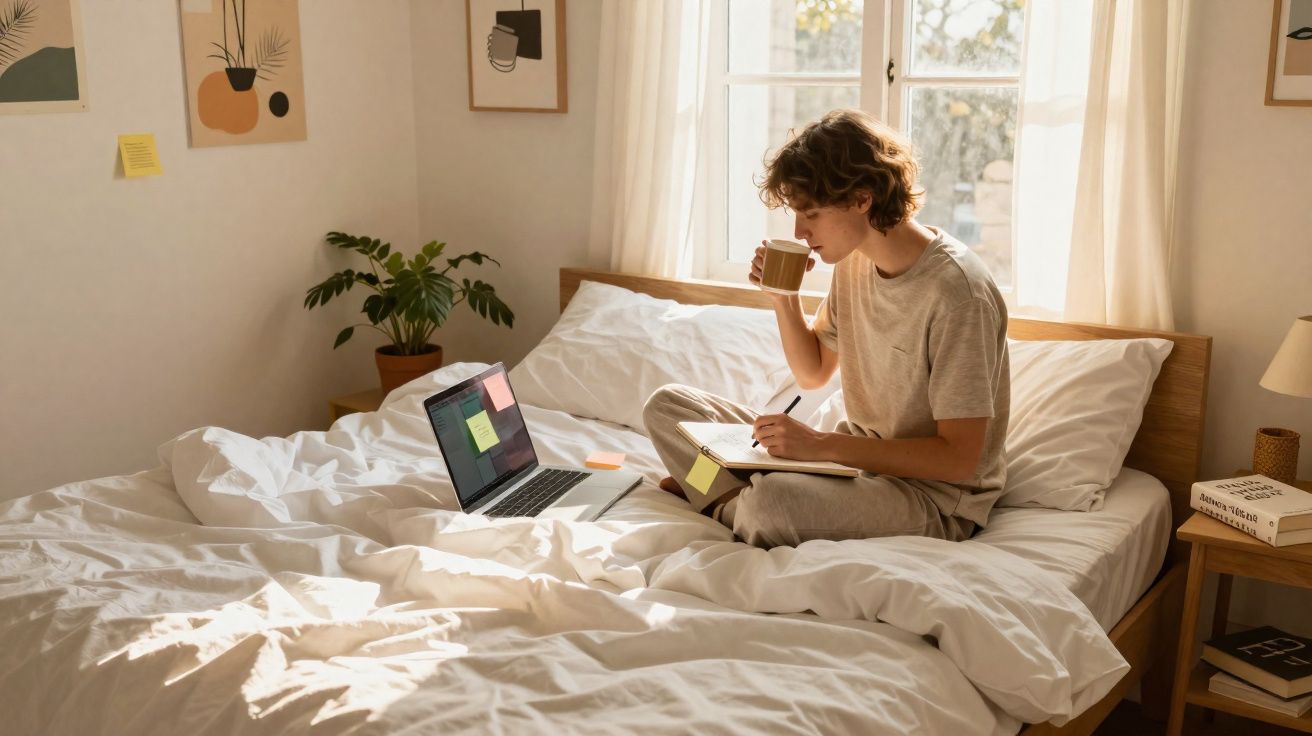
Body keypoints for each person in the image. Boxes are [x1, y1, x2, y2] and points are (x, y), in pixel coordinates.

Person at [642, 108, 1010, 549]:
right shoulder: (856, 261)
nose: (800, 232)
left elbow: (959, 460)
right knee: (668, 408)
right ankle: (725, 491)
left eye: (811, 213)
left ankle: (717, 494)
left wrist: (822, 445)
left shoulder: (958, 294)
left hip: (928, 496)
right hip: (851, 465)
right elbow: (813, 372)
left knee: (771, 504)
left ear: (862, 198)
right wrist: (784, 296)